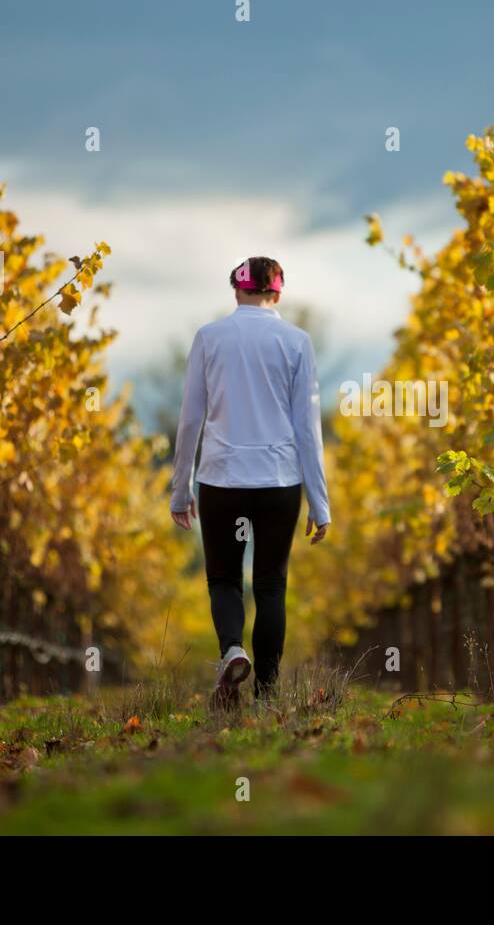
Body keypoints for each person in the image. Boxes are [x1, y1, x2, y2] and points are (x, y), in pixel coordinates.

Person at [169, 256, 330, 709]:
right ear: (277, 293)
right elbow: (308, 428)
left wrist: (180, 489)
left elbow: (189, 421)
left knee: (223, 579)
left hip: (221, 479)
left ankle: (231, 650)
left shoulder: (209, 338)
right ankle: (267, 694)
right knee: (271, 585)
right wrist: (320, 503)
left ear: (236, 290)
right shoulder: (297, 342)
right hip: (279, 480)